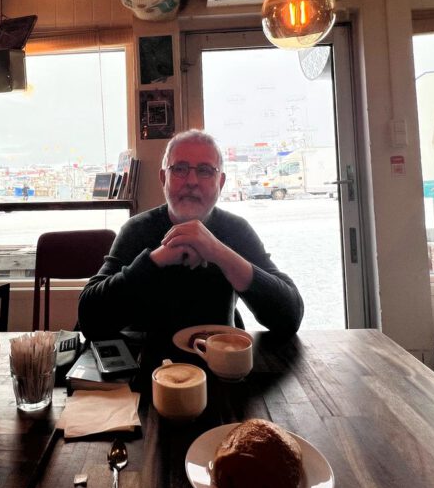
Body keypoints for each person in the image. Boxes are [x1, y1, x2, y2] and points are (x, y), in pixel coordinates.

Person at [78, 130, 303, 340]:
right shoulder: (137, 230)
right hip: (146, 361)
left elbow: (290, 317)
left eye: (205, 170)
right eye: (180, 169)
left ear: (221, 182)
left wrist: (218, 252)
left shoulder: (236, 230)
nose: (192, 181)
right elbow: (89, 320)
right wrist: (156, 259)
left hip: (217, 359)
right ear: (163, 178)